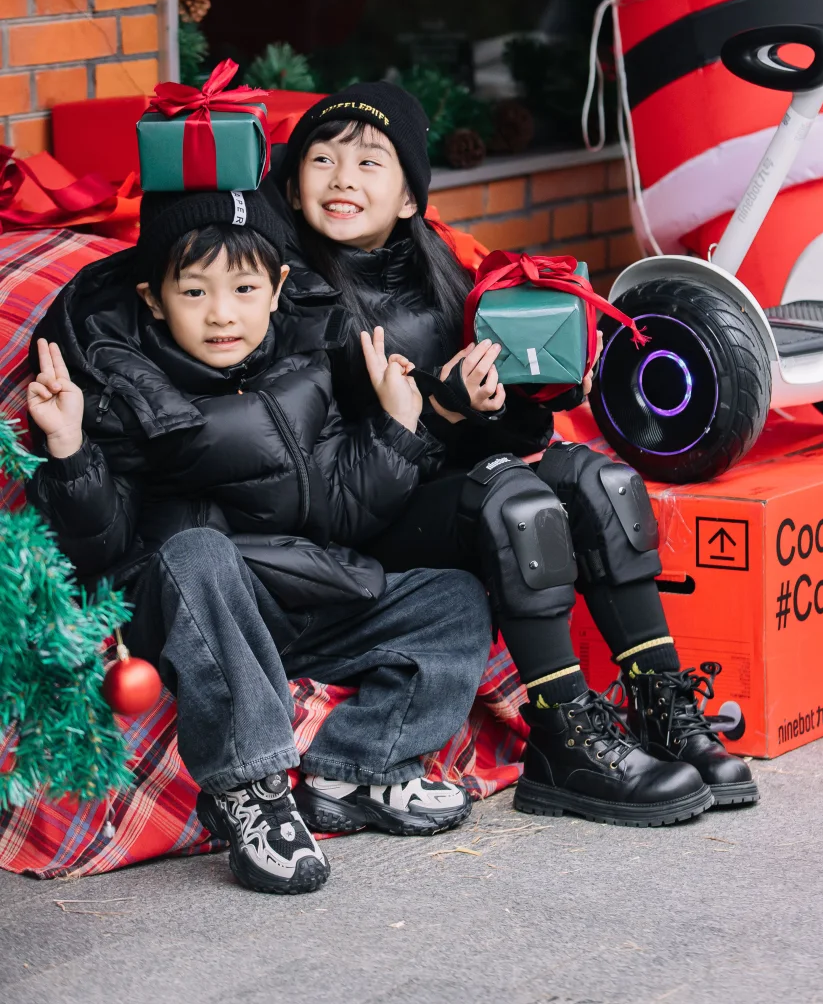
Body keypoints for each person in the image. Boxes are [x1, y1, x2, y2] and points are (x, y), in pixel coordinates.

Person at [274, 83, 758, 827]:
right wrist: (438, 414)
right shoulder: (289, 298)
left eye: (369, 162)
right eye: (322, 160)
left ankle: (661, 707)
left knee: (599, 482)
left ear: (409, 199)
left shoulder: (442, 275)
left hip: (439, 495)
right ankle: (564, 739)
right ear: (291, 183)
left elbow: (505, 440)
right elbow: (326, 492)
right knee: (515, 504)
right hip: (360, 532)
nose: (343, 178)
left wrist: (514, 402)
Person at [26, 188, 493, 895]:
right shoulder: (120, 385)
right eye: (195, 292)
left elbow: (341, 512)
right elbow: (97, 546)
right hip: (189, 608)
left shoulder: (305, 361)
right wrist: (70, 449)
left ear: (276, 290)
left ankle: (356, 769)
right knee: (199, 553)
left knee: (452, 599)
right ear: (155, 300)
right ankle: (251, 792)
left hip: (292, 596)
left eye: (244, 289)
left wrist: (399, 429)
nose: (222, 313)